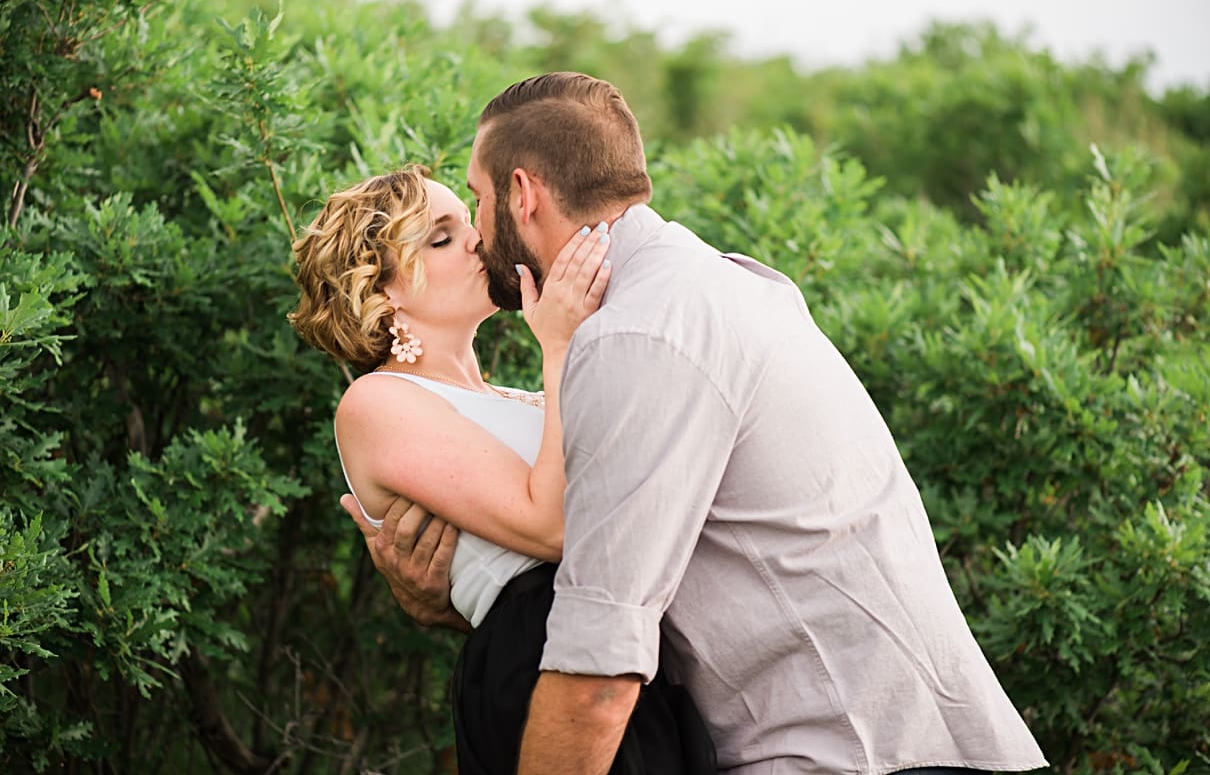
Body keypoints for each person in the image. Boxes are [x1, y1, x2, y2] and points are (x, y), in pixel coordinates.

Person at [361, 72, 1051, 775]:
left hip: (851, 754)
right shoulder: (730, 285)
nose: (479, 235)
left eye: (475, 200)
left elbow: (599, 665)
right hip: (924, 741)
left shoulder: (639, 337)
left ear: (522, 194)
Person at [288, 165, 716, 774]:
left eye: (468, 219)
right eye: (440, 237)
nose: (475, 238)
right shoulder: (377, 403)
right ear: (383, 294)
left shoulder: (524, 399)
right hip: (541, 666)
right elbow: (558, 527)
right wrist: (563, 345)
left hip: (624, 653)